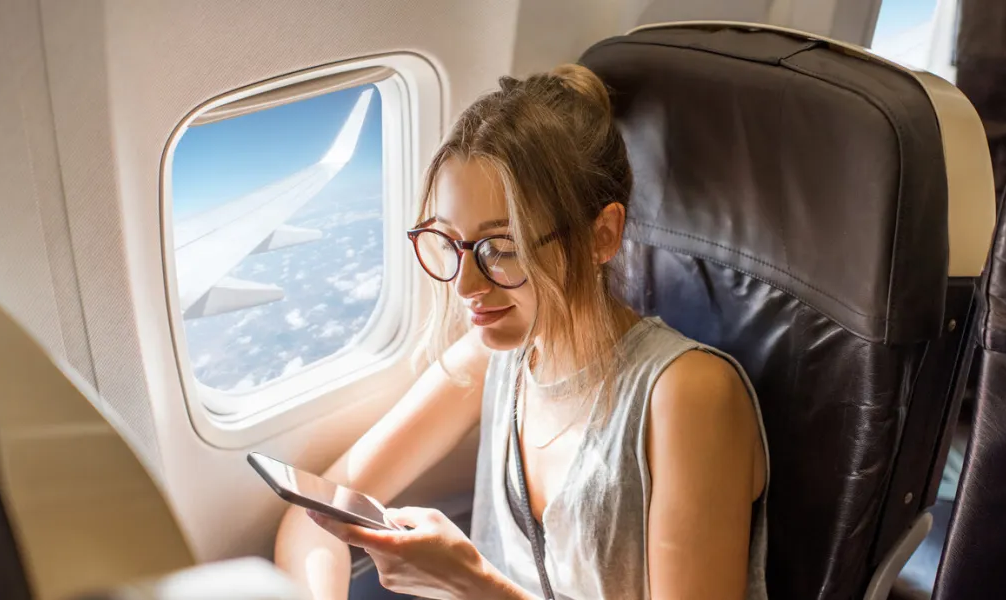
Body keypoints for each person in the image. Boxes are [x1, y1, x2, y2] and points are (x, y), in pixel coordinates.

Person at [274, 63, 770, 600]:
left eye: (501, 249)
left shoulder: (689, 397)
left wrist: (471, 584)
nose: (465, 284)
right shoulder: (492, 360)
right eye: (449, 242)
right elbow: (312, 513)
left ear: (601, 236)